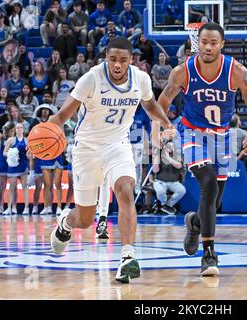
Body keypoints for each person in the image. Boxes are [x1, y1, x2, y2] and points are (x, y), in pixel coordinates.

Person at [48, 37, 176, 283]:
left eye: (123, 60)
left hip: (118, 145)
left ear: (132, 60)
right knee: (85, 220)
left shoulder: (141, 79)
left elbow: (150, 106)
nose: (117, 65)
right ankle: (66, 222)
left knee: (125, 189)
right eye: (113, 59)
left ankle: (127, 257)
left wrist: (167, 123)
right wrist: (40, 138)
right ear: (106, 58)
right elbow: (62, 115)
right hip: (86, 149)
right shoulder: (91, 79)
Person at [156, 23, 247, 276]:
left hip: (223, 137)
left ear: (222, 44)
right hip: (191, 132)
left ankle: (195, 223)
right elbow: (162, 102)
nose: (207, 47)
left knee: (214, 203)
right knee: (208, 183)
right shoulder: (182, 71)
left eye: (213, 42)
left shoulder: (237, 72)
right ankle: (209, 254)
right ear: (198, 43)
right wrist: (163, 128)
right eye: (203, 42)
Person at [151, 141, 186, 215]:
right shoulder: (159, 156)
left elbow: (179, 166)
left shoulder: (177, 156)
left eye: (172, 147)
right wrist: (156, 157)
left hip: (174, 182)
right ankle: (163, 204)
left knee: (182, 190)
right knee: (160, 191)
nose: (170, 148)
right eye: (168, 147)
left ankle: (167, 205)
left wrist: (168, 157)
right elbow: (155, 170)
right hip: (160, 181)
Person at [3, 122, 30, 215]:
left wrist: (29, 155)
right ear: (15, 130)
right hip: (13, 167)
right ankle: (9, 208)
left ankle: (26, 208)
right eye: (17, 127)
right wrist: (11, 155)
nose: (19, 129)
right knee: (11, 188)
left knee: (25, 187)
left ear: (23, 129)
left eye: (21, 127)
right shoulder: (11, 140)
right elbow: (4, 152)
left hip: (23, 166)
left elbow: (30, 155)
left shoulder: (27, 141)